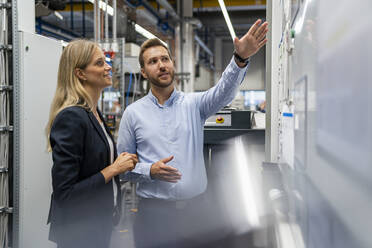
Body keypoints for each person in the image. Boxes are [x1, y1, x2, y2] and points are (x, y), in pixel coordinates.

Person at [117, 19, 268, 248]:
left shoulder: (194, 104)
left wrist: (240, 59)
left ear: (173, 63)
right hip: (153, 216)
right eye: (153, 61)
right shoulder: (132, 114)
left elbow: (223, 92)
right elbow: (122, 170)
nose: (161, 65)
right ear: (144, 72)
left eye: (165, 59)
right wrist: (150, 170)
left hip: (196, 211)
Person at [45, 39, 138, 248]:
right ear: (80, 73)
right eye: (99, 63)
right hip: (78, 230)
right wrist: (114, 169)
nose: (107, 67)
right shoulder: (71, 117)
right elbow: (65, 193)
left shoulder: (93, 113)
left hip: (97, 223)